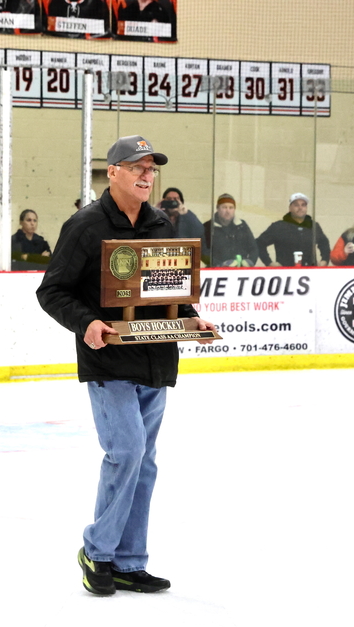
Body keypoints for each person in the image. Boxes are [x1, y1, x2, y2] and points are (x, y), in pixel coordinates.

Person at [36, 134, 216, 596]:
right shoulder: (86, 225)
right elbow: (52, 292)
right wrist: (88, 323)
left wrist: (190, 318)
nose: (146, 175)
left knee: (145, 463)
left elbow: (166, 290)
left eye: (152, 169)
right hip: (109, 360)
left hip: (155, 359)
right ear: (112, 172)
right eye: (137, 167)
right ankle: (97, 551)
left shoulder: (160, 224)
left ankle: (129, 561)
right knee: (129, 451)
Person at [256, 192, 331, 267]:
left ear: (306, 208)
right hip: (285, 273)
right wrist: (269, 263)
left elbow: (324, 244)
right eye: (296, 205)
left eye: (303, 205)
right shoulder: (278, 226)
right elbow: (259, 243)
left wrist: (324, 260)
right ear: (290, 208)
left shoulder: (313, 226)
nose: (300, 208)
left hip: (310, 272)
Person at [202, 194, 258, 266]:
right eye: (224, 207)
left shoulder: (242, 225)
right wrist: (219, 265)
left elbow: (253, 248)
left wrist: (250, 262)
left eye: (231, 208)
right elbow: (203, 252)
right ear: (218, 208)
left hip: (241, 271)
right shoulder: (207, 227)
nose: (228, 211)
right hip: (216, 272)